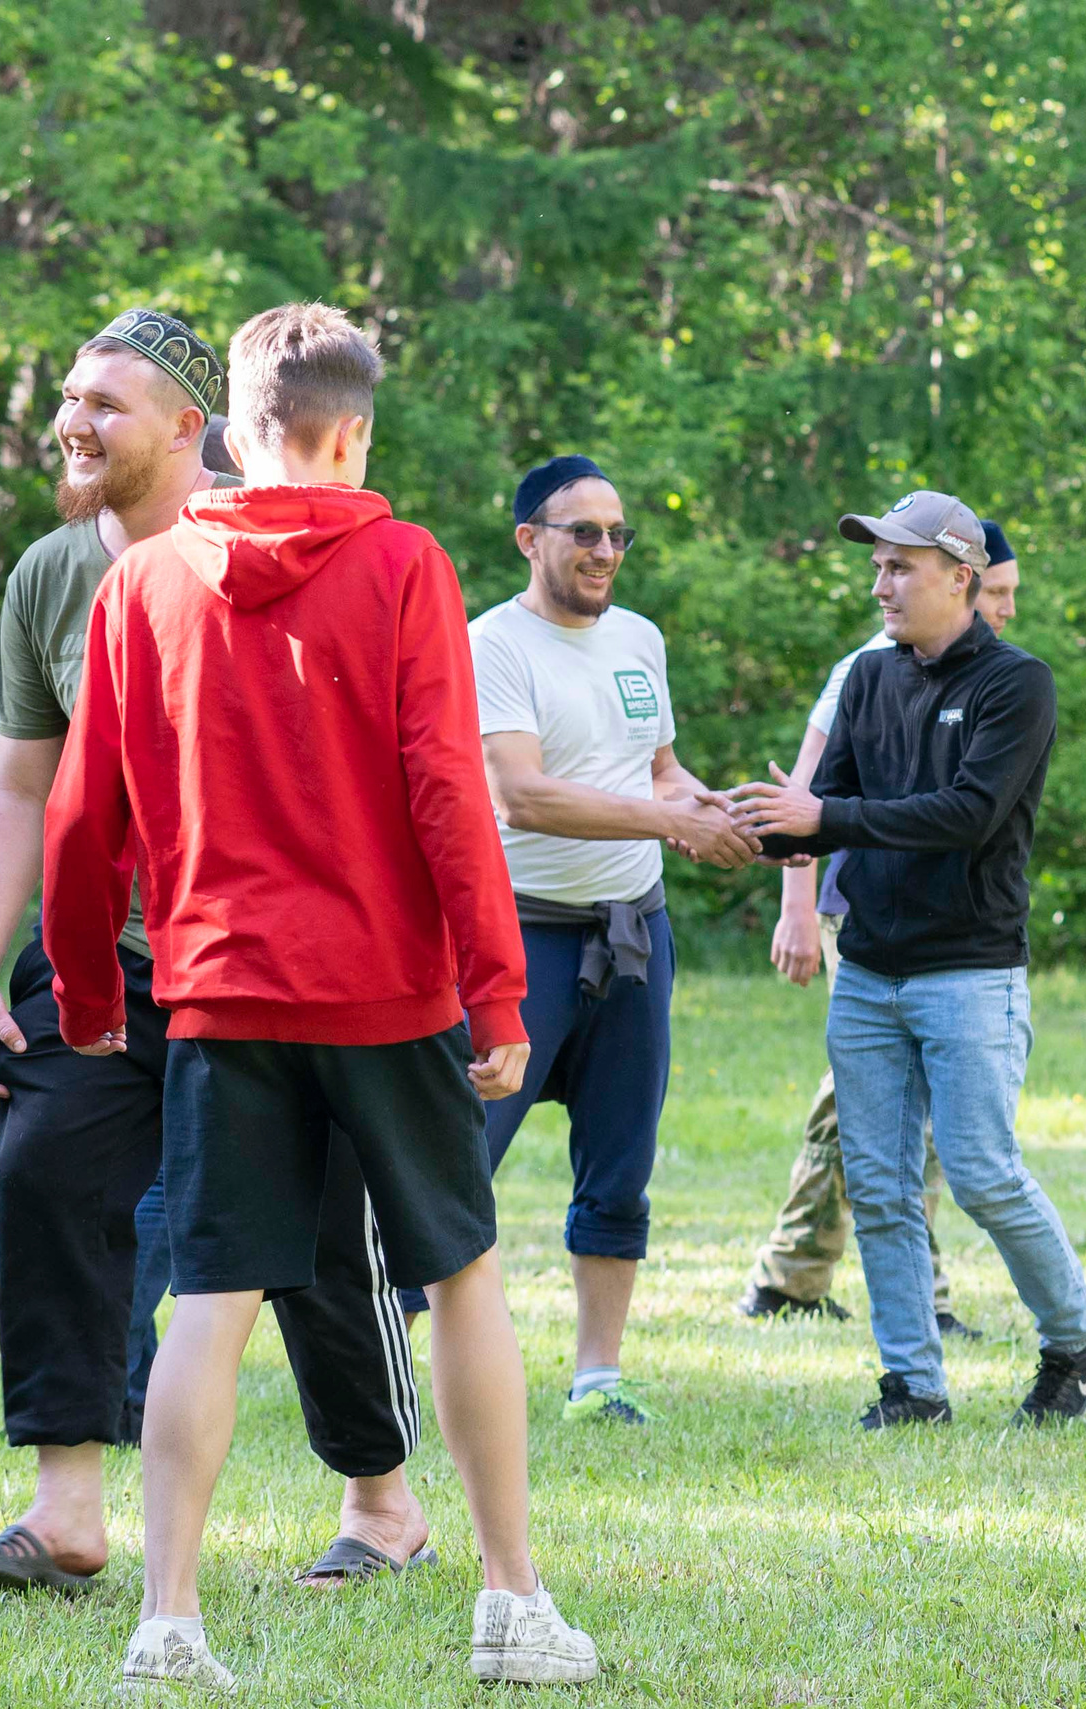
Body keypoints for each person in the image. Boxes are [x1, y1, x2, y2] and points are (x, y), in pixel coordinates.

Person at [41, 302, 596, 1686]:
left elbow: (79, 812)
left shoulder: (144, 582)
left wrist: (79, 987)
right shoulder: (403, 561)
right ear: (353, 433)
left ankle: (168, 1620)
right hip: (388, 996)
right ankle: (513, 1604)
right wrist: (502, 990)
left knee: (213, 1296)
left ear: (227, 430)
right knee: (462, 1272)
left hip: (218, 994)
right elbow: (444, 792)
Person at [0, 309, 433, 1599]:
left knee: (320, 1242)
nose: (73, 421)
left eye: (106, 400)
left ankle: (381, 1499)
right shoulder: (52, 573)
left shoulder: (274, 546)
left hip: (272, 966)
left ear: (186, 426)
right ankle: (65, 1508)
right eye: (68, 394)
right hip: (103, 958)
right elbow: (19, 784)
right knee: (47, 1170)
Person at [735, 491, 1086, 1429]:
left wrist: (823, 819)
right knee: (878, 1183)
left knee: (983, 1170)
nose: (881, 584)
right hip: (865, 971)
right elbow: (823, 808)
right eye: (876, 566)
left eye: (898, 566)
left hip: (970, 975)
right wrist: (739, 821)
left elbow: (965, 815)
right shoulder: (869, 680)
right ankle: (914, 1384)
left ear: (961, 577)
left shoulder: (1017, 685)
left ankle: (1075, 1335)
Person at [390, 452, 758, 1427]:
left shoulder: (639, 639)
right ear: (529, 539)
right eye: (583, 531)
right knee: (461, 1159)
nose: (605, 550)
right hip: (520, 938)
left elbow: (659, 768)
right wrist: (675, 822)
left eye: (618, 533)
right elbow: (527, 793)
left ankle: (599, 1376)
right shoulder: (492, 645)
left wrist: (710, 803)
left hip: (633, 935)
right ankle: (393, 1358)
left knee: (619, 1161)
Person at [737, 518, 1023, 1334]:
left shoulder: (995, 679)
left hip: (939, 924)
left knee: (873, 1107)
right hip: (860, 910)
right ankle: (902, 1297)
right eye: (998, 591)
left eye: (1009, 595)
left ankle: (792, 1274)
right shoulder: (869, 668)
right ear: (963, 579)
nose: (1005, 609)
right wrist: (797, 907)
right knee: (888, 1111)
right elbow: (810, 791)